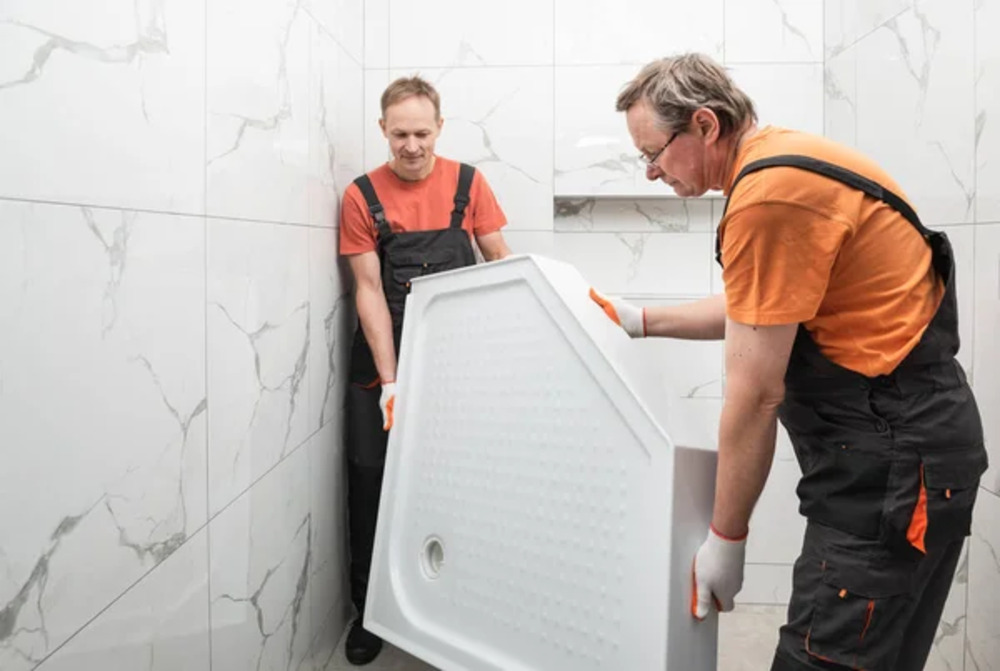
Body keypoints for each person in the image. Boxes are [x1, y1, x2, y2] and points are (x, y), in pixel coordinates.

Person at [591, 53, 988, 671]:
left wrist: (726, 536)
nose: (650, 172)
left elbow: (755, 395)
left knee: (823, 656)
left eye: (653, 153)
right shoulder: (785, 160)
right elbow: (767, 306)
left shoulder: (768, 196)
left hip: (891, 470)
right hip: (922, 451)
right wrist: (640, 319)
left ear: (704, 125)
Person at [338, 75, 511, 665]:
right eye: (399, 135)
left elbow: (500, 263)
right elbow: (367, 291)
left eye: (421, 133)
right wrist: (391, 383)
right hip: (380, 367)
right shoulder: (362, 195)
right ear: (382, 130)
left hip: (456, 368)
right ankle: (369, 613)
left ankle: (455, 610)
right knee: (370, 484)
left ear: (439, 128)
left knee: (457, 487)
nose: (411, 146)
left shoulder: (468, 183)